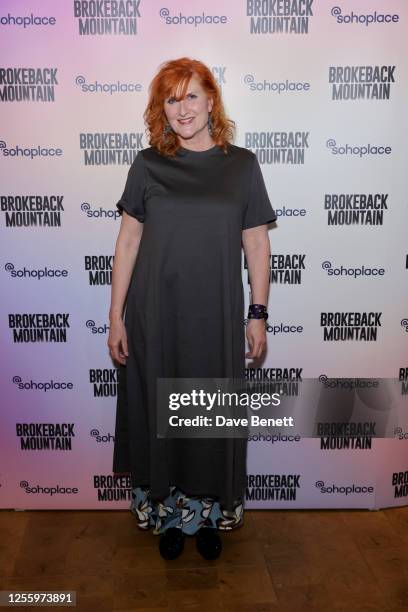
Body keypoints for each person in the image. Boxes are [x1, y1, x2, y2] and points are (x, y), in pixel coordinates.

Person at [108, 57, 277, 561]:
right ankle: (167, 517)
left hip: (215, 315)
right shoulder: (148, 164)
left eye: (191, 96)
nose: (183, 109)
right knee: (160, 411)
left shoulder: (242, 165)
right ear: (162, 109)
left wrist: (258, 312)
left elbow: (257, 245)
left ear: (211, 101)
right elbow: (128, 242)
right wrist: (115, 315)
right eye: (171, 99)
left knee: (208, 416)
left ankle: (207, 517)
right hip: (154, 315)